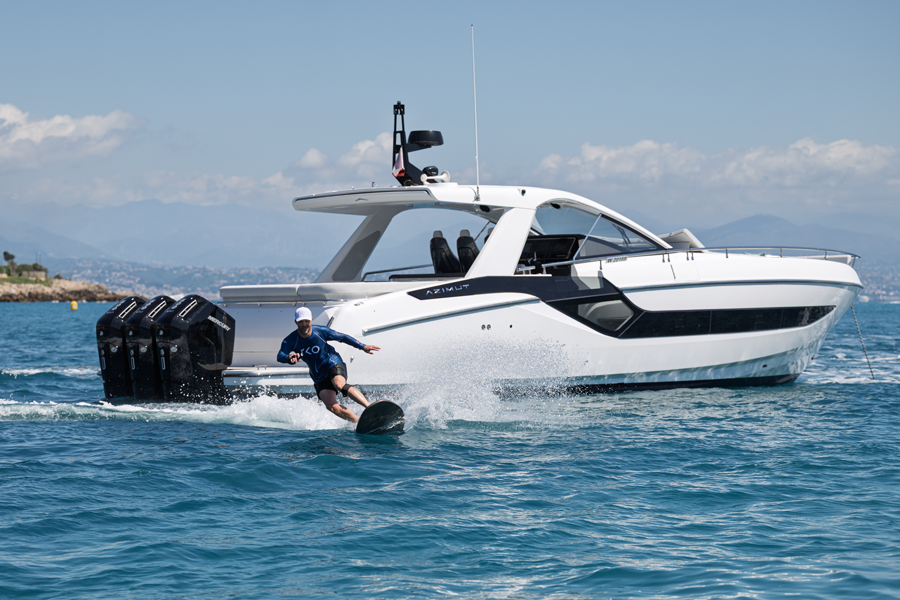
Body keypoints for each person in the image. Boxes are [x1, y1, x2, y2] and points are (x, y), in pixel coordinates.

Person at [276, 306, 380, 423]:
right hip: (317, 374)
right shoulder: (290, 340)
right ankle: (359, 422)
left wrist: (362, 346)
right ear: (296, 322)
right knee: (331, 406)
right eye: (301, 322)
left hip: (332, 362)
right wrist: (289, 358)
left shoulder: (320, 331)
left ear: (311, 320)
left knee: (339, 385)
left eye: (306, 321)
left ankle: (371, 408)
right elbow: (280, 356)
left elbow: (343, 337)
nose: (304, 324)